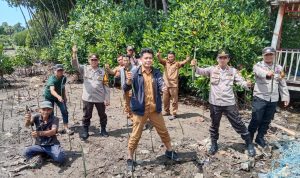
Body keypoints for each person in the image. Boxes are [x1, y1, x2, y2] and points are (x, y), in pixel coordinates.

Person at [191, 49, 256, 157]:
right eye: (220, 57)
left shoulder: (233, 71)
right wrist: (195, 66)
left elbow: (241, 82)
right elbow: (199, 71)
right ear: (217, 59)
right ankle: (214, 144)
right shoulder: (211, 69)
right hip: (215, 102)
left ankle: (249, 143)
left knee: (238, 123)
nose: (222, 59)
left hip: (228, 102)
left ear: (228, 59)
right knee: (214, 125)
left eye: (225, 57)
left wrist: (247, 84)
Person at [123, 48, 180, 171]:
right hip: (140, 109)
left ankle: (169, 151)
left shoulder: (157, 72)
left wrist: (163, 87)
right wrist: (128, 81)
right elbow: (125, 88)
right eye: (146, 58)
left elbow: (160, 82)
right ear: (141, 59)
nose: (148, 60)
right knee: (135, 135)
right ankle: (129, 158)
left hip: (154, 109)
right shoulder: (134, 71)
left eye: (150, 58)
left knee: (163, 131)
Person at [248, 47, 290, 148]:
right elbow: (258, 72)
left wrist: (285, 97)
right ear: (263, 56)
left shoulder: (279, 68)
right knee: (256, 119)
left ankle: (260, 138)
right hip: (260, 97)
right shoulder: (258, 65)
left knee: (267, 120)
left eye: (271, 54)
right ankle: (249, 138)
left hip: (273, 99)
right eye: (266, 55)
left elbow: (282, 83)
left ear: (274, 55)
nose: (269, 56)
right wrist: (267, 73)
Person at [71, 45, 110, 140]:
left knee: (102, 115)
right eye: (92, 59)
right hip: (87, 98)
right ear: (89, 60)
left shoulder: (102, 72)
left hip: (99, 98)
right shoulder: (84, 69)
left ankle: (103, 129)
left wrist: (107, 98)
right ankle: (85, 131)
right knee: (86, 115)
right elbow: (75, 65)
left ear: (98, 61)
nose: (94, 61)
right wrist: (74, 53)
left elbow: (106, 85)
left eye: (95, 59)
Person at [23, 101, 65, 166]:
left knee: (60, 159)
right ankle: (44, 154)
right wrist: (27, 120)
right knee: (26, 152)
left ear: (51, 110)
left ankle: (46, 154)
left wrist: (39, 133)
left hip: (52, 145)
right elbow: (27, 125)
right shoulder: (36, 117)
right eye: (44, 109)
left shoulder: (55, 119)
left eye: (48, 109)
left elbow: (53, 131)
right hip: (40, 145)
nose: (46, 111)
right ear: (40, 110)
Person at [156, 51, 191, 120]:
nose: (170, 58)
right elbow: (160, 59)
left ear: (174, 57)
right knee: (165, 99)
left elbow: (183, 62)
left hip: (174, 85)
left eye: (172, 57)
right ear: (167, 57)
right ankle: (166, 111)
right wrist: (158, 55)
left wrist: (187, 59)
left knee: (174, 100)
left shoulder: (177, 64)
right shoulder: (165, 62)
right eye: (169, 57)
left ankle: (174, 113)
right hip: (166, 84)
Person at [44, 64, 73, 135]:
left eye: (61, 70)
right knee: (50, 112)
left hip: (59, 96)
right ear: (54, 71)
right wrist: (59, 97)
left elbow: (62, 88)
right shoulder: (52, 79)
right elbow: (52, 90)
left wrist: (64, 96)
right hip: (50, 97)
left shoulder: (64, 78)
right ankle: (51, 129)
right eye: (58, 70)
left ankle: (66, 128)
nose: (60, 72)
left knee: (64, 110)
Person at [120, 56, 136, 122]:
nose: (125, 62)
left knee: (133, 106)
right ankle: (132, 119)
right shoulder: (122, 69)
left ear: (129, 61)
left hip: (132, 90)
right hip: (125, 89)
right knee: (127, 105)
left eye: (127, 60)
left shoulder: (135, 68)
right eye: (124, 60)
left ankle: (137, 121)